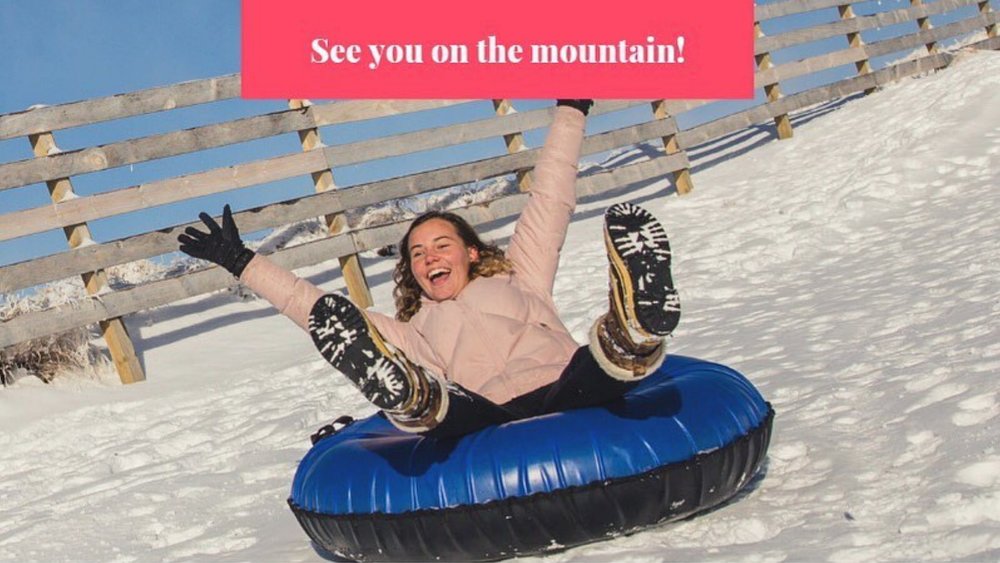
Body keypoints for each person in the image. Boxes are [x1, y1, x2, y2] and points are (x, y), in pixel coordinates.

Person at [178, 100, 680, 438]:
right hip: (489, 420)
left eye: (441, 245)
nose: (429, 257)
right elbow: (312, 308)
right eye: (416, 254)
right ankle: (408, 394)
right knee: (441, 403)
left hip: (566, 390)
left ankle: (633, 330)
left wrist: (572, 109)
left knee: (596, 365)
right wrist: (241, 261)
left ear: (472, 252)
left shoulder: (523, 275)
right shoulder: (412, 329)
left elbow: (551, 196)